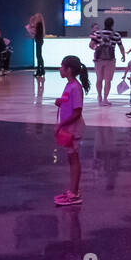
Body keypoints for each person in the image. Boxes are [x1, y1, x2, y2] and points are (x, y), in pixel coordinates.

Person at [54, 55, 89, 206]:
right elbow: (70, 105)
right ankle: (73, 190)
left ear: (69, 70)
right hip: (69, 126)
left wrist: (61, 125)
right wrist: (61, 103)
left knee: (74, 159)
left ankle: (74, 194)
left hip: (73, 128)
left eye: (62, 66)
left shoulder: (75, 87)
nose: (60, 69)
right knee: (71, 158)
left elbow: (77, 112)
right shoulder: (69, 85)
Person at [90, 17, 122, 105]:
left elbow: (91, 45)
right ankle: (105, 99)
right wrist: (123, 55)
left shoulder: (97, 33)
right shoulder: (116, 34)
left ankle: (99, 96)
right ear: (112, 24)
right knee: (108, 80)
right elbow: (120, 46)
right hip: (110, 60)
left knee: (99, 79)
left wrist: (97, 49)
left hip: (98, 60)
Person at [26, 12, 46, 77]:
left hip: (39, 40)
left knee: (39, 56)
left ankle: (40, 70)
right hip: (39, 40)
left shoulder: (39, 24)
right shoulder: (39, 24)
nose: (35, 18)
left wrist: (31, 20)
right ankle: (41, 70)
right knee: (39, 56)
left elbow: (32, 29)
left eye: (36, 17)